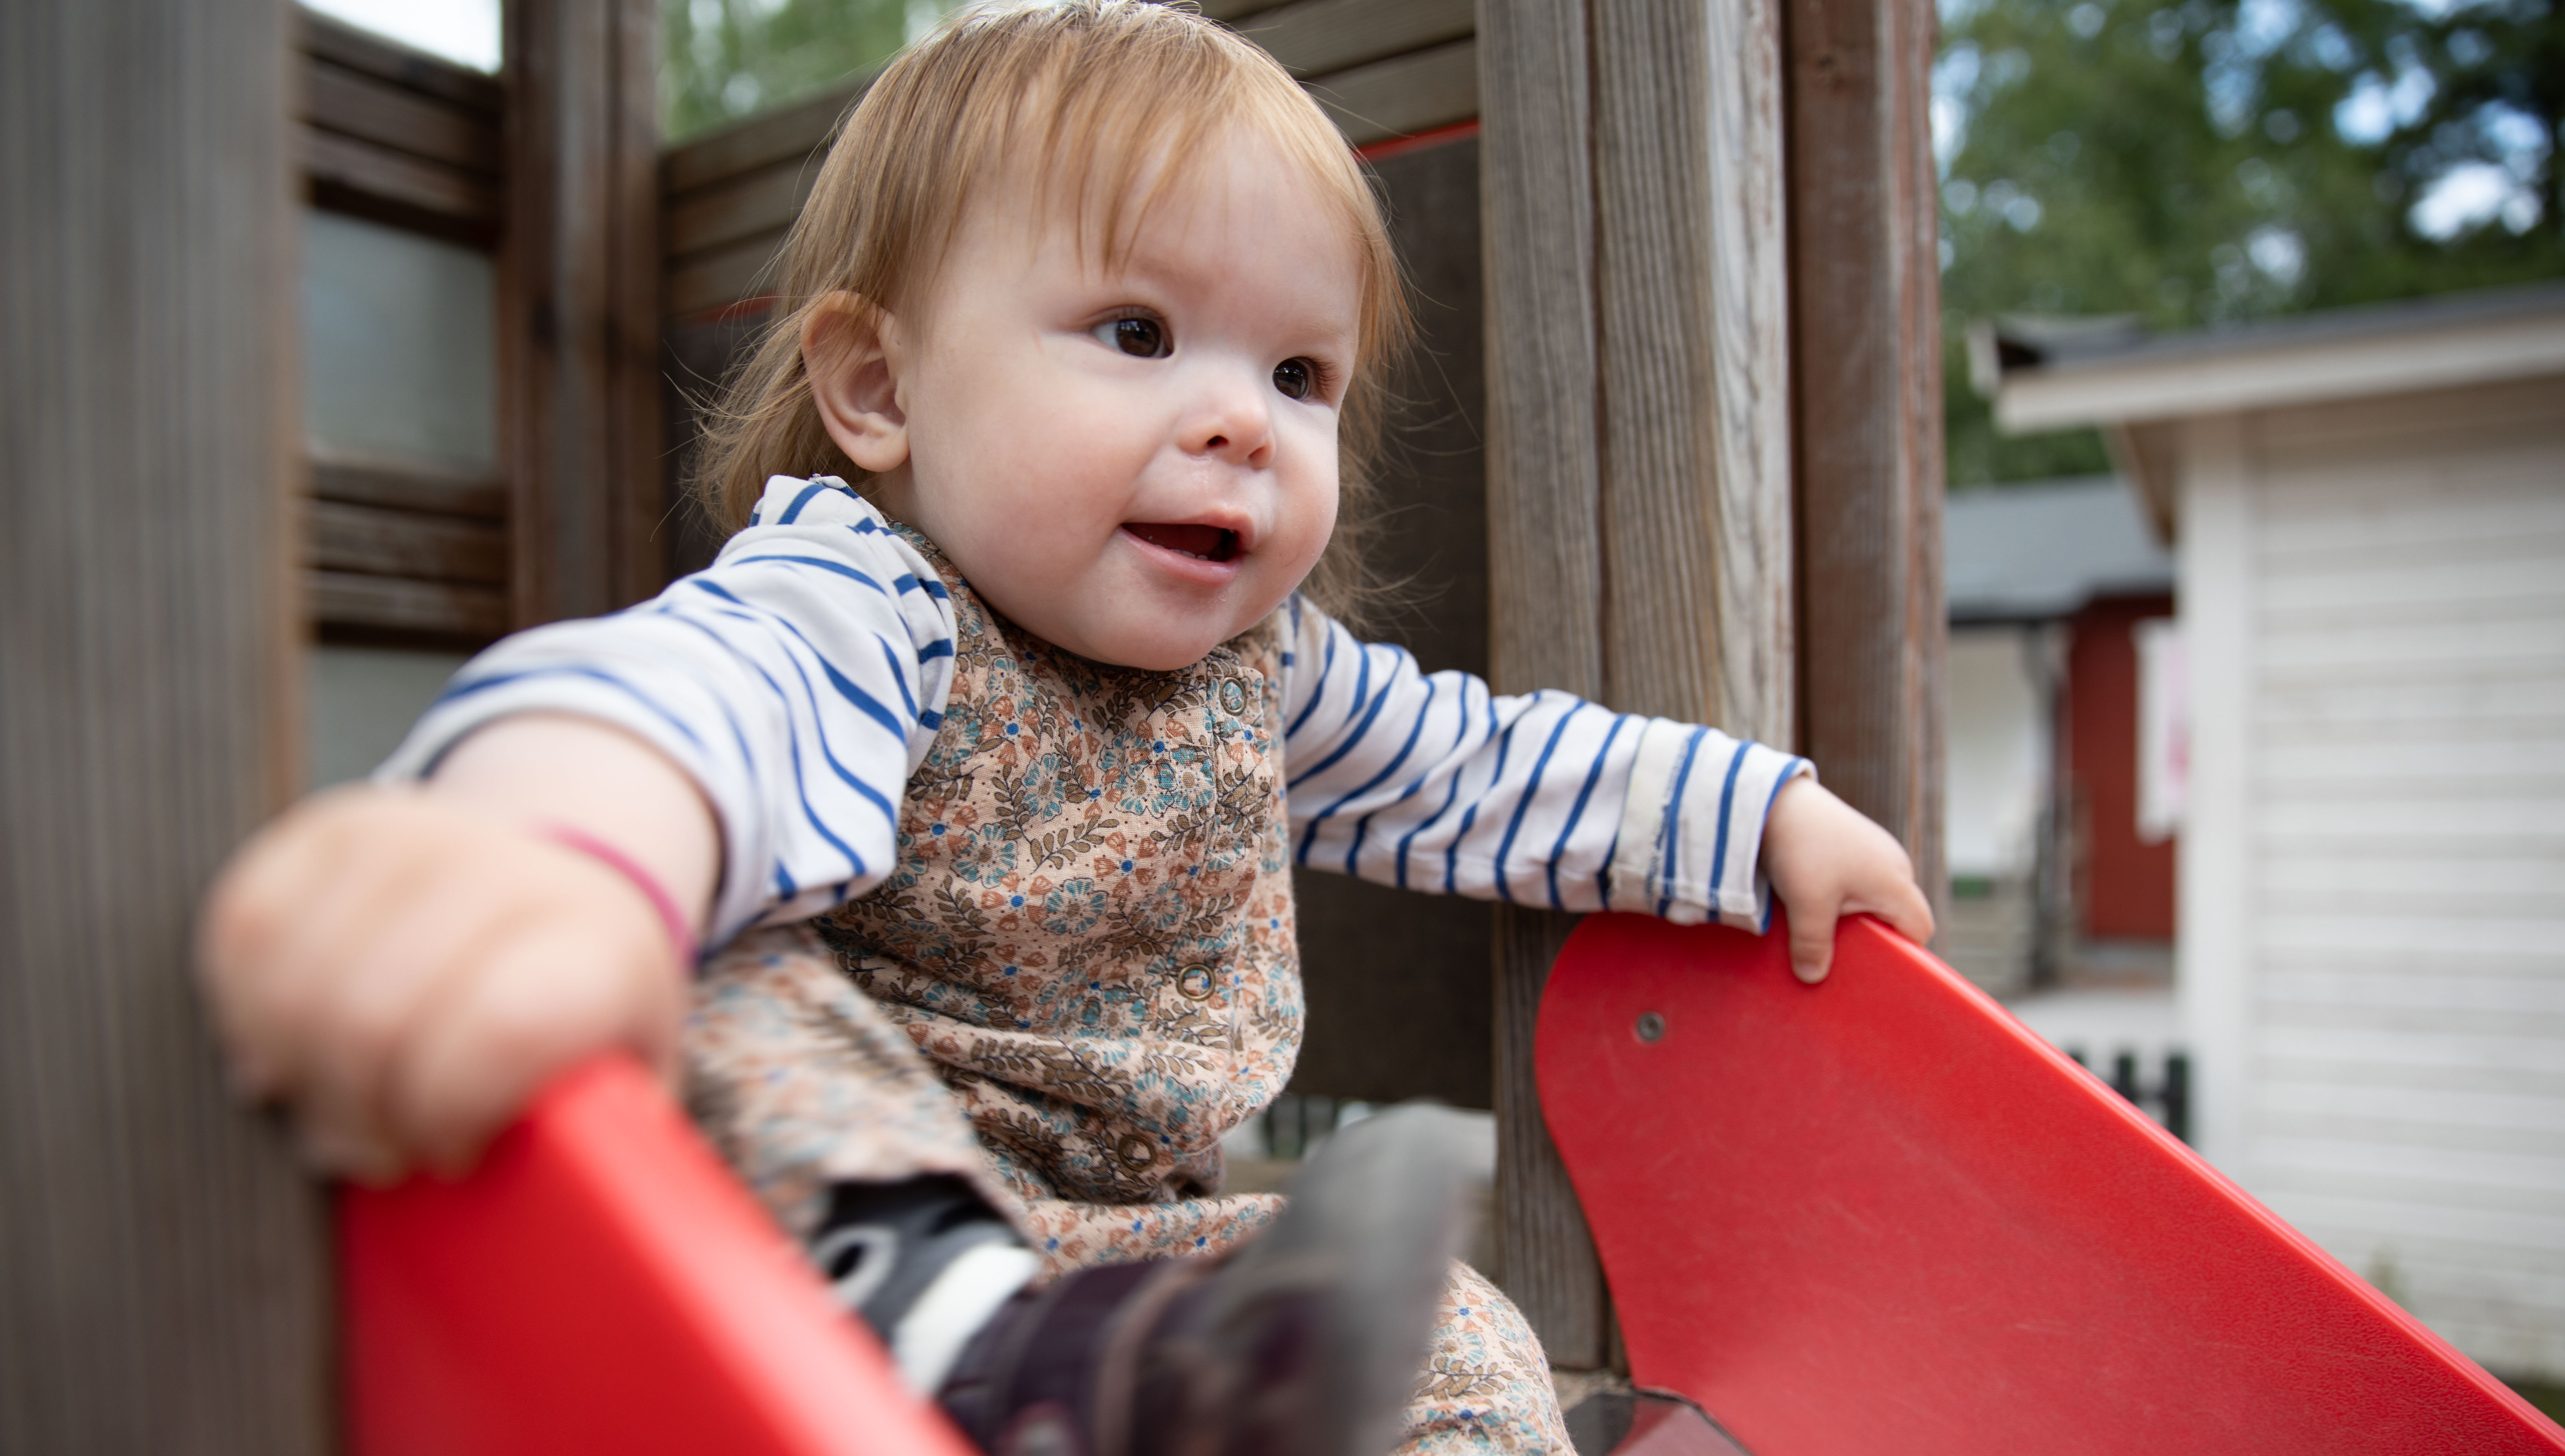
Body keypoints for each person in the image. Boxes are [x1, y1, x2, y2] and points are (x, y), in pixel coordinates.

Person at [199, 4, 1933, 1454]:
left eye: (1298, 377)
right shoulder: (870, 604)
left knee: (1458, 1335)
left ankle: (1109, 1388)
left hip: (1141, 1277)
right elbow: (684, 706)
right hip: (827, 1225)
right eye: (1136, 333)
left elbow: (1488, 771)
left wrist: (1752, 817)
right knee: (722, 972)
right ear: (877, 387)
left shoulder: (1268, 673)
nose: (1239, 425)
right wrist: (551, 859)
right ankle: (966, 1350)